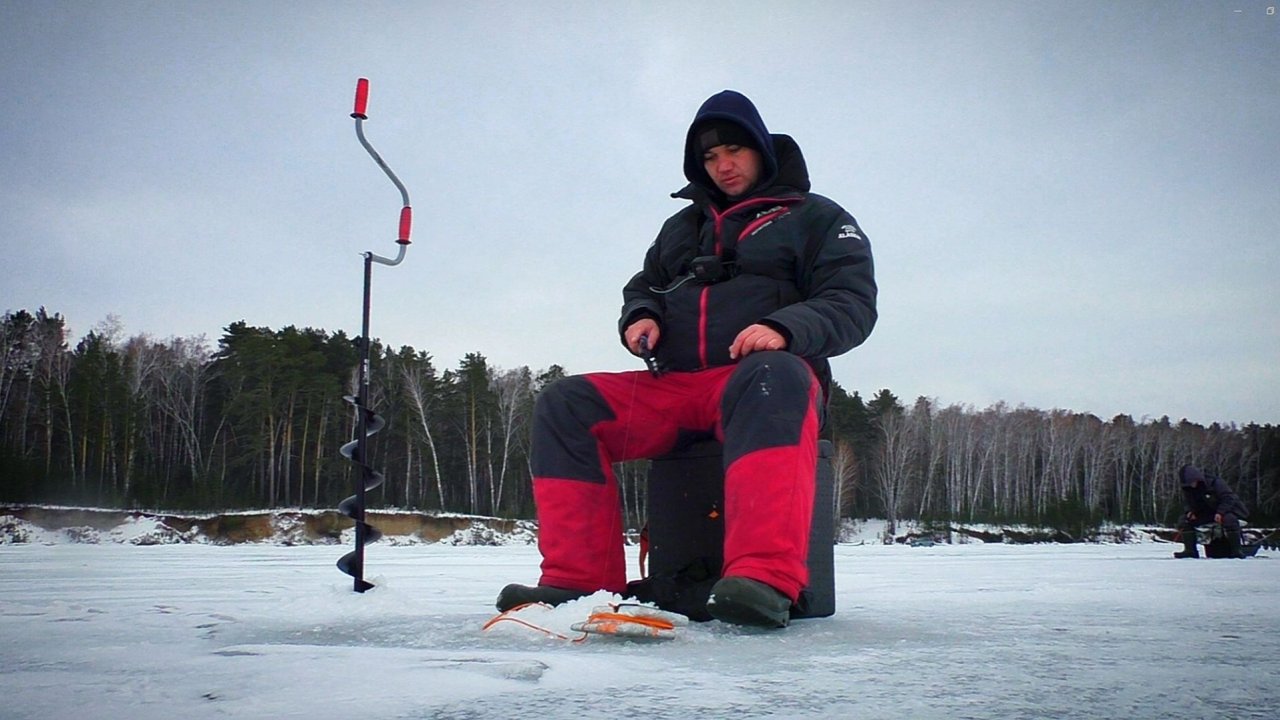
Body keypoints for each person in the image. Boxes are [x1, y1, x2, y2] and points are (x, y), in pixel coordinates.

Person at [496, 89, 877, 627]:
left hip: (761, 387)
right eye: (710, 156)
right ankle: (579, 582)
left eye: (735, 150)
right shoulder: (680, 228)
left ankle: (763, 580)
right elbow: (644, 287)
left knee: (774, 375)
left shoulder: (818, 218)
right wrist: (640, 316)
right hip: (676, 391)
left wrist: (783, 328)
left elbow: (852, 303)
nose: (723, 165)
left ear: (762, 150)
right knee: (566, 404)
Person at [1174, 464, 1249, 559]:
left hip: (1227, 510)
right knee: (1184, 520)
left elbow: (1229, 498)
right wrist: (1190, 511)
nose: (1191, 485)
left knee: (1230, 520)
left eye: (1192, 482)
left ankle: (1236, 551)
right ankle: (1190, 551)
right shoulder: (1188, 489)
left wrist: (1220, 512)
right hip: (1206, 513)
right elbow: (1188, 502)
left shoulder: (1215, 483)